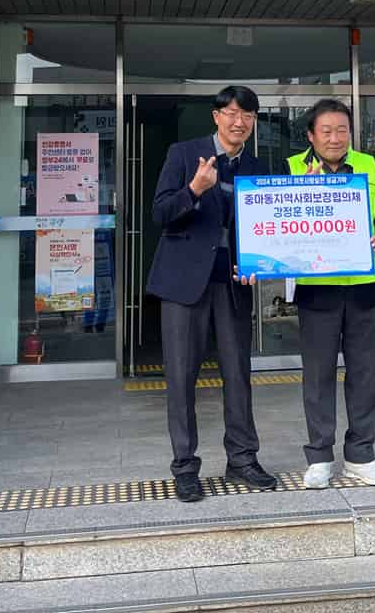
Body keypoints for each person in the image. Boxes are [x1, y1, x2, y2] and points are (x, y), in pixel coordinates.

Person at [147, 85, 277, 502]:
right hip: (182, 282)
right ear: (216, 116)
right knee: (181, 375)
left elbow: (266, 226)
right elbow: (160, 213)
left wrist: (260, 264)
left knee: (238, 373)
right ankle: (185, 467)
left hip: (233, 282)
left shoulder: (255, 167)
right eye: (232, 113)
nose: (240, 122)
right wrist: (194, 189)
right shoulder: (185, 154)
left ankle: (242, 459)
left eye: (248, 116)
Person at [284, 99, 375, 489]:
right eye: (327, 131)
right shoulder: (292, 169)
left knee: (366, 375)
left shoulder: (368, 165)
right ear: (311, 135)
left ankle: (361, 455)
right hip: (317, 292)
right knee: (318, 376)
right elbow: (278, 224)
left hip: (364, 289)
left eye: (342, 130)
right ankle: (320, 457)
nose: (335, 138)